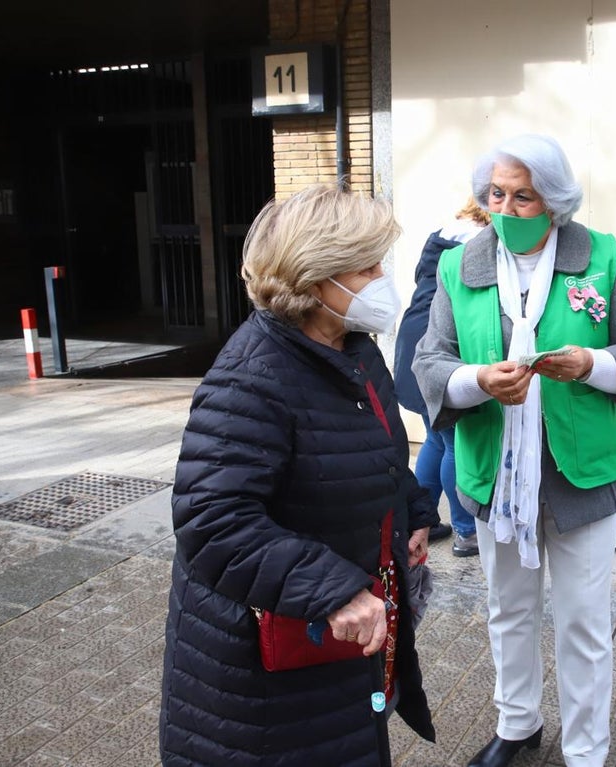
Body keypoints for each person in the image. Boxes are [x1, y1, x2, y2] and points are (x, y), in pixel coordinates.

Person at [413, 134, 616, 767]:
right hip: (494, 475)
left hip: (583, 477)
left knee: (582, 625)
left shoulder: (605, 258)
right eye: (497, 194)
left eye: (523, 196)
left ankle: (586, 751)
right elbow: (430, 360)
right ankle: (518, 725)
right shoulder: (459, 266)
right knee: (509, 611)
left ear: (554, 201)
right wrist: (476, 382)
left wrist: (591, 363)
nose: (507, 208)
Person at [160, 185, 437, 766]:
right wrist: (332, 590)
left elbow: (377, 445)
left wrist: (411, 509)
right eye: (368, 267)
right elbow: (211, 523)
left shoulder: (352, 348)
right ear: (317, 280)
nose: (385, 278)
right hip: (264, 676)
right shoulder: (251, 378)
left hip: (334, 650)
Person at [393, 197, 489, 557]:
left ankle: (422, 522)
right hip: (441, 342)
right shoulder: (479, 245)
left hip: (413, 338)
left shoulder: (440, 236)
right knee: (455, 444)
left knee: (435, 438)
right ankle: (466, 532)